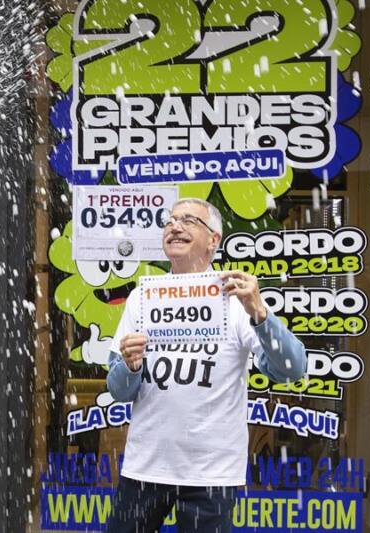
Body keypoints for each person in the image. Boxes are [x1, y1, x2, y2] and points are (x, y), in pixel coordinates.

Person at [105, 198, 307, 533]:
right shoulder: (143, 298)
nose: (175, 226)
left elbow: (292, 369)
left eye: (188, 220)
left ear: (214, 239)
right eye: (170, 220)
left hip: (211, 473)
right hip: (146, 468)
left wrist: (259, 311)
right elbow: (119, 392)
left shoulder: (236, 296)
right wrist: (129, 365)